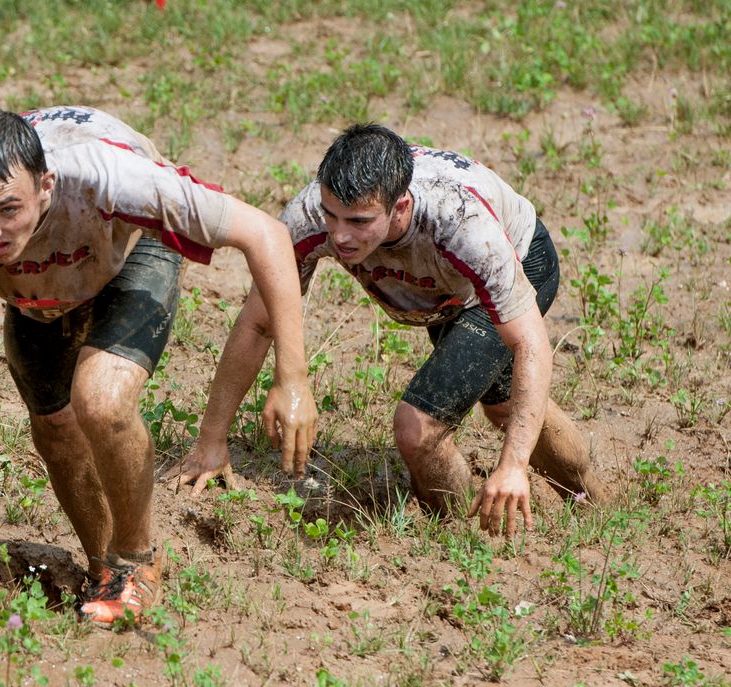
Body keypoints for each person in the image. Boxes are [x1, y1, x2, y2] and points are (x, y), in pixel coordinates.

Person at [0, 106, 316, 625]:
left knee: (101, 400)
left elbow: (265, 233)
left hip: (130, 249)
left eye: (6, 209)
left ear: (46, 185)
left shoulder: (115, 181)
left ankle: (136, 564)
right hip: (37, 296)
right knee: (57, 431)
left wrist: (292, 377)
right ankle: (103, 573)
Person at [168, 123, 608, 536]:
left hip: (515, 261)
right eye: (331, 215)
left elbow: (529, 342)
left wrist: (513, 464)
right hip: (444, 291)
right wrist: (211, 440)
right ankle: (556, 506)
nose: (339, 236)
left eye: (359, 222)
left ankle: (460, 535)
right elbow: (258, 322)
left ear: (400, 206)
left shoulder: (462, 225)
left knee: (419, 428)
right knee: (502, 405)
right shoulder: (307, 218)